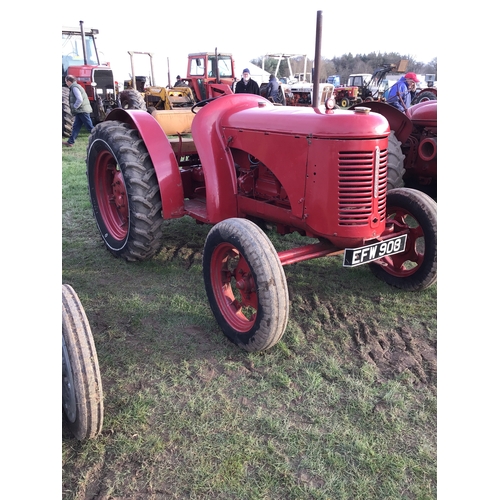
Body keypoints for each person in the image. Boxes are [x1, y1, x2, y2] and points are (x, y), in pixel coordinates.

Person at [63, 75, 94, 147]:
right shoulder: (76, 86)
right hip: (80, 111)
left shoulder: (74, 88)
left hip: (82, 110)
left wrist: (74, 107)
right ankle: (70, 142)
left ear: (69, 81)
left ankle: (101, 139)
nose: (66, 83)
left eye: (66, 82)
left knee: (90, 127)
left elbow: (79, 99)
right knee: (76, 127)